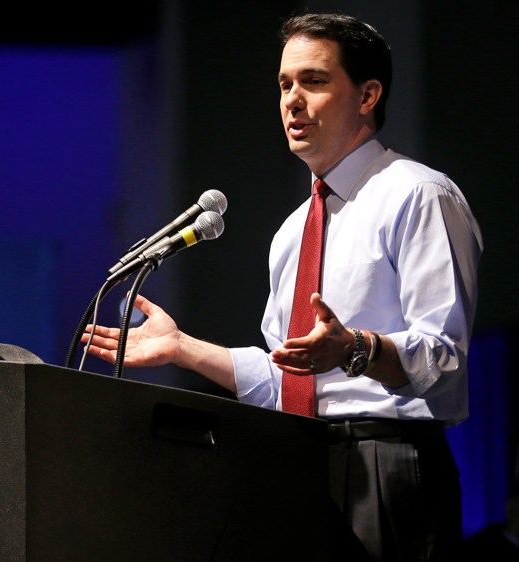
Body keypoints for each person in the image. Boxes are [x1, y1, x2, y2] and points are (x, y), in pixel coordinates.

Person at [83, 12, 482, 561]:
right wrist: (183, 350)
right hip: (296, 463)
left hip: (385, 462)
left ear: (368, 95)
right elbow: (285, 379)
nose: (292, 100)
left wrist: (356, 350)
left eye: (314, 81)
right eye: (284, 84)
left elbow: (444, 362)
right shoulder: (294, 231)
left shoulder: (418, 197)